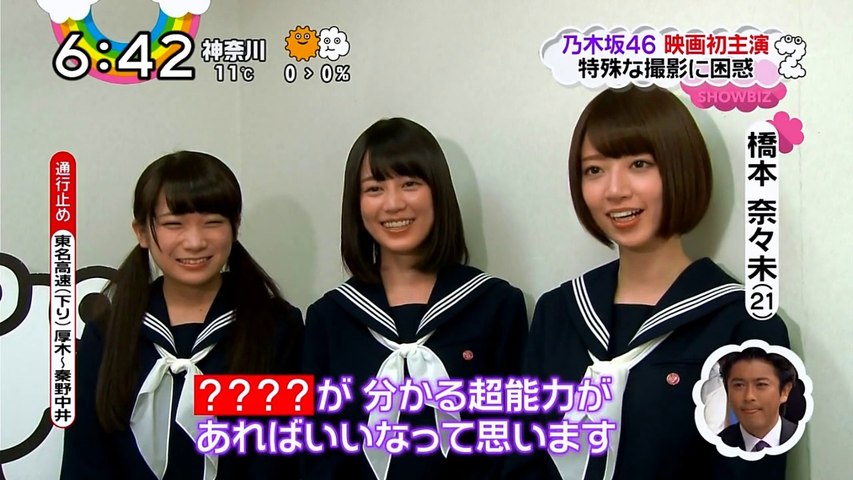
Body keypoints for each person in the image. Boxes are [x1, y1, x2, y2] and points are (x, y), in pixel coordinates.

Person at [503, 86, 790, 480]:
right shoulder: (559, 312)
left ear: (680, 168)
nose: (615, 190)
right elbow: (522, 460)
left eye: (639, 164)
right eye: (594, 170)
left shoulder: (743, 326)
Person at [302, 117, 528, 480]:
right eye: (374, 188)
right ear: (356, 204)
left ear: (437, 192)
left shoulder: (495, 305)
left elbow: (517, 443)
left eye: (409, 184)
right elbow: (317, 452)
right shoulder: (329, 317)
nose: (393, 204)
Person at [61, 151, 304, 480]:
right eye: (173, 224)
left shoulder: (275, 328)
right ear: (141, 232)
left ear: (235, 227)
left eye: (212, 222)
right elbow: (85, 461)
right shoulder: (106, 335)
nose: (195, 241)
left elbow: (278, 457)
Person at [718, 347, 798, 451]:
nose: (749, 396)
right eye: (739, 385)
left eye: (761, 385)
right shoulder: (715, 446)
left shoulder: (804, 439)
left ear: (784, 391)